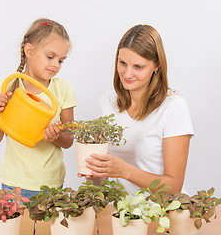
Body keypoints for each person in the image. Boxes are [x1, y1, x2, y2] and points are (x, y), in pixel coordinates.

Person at [82, 24, 194, 196]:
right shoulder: (107, 101)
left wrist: (125, 171)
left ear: (157, 65)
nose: (127, 74)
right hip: (124, 214)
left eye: (138, 67)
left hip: (163, 212)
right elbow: (101, 182)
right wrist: (93, 171)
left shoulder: (173, 107)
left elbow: (174, 186)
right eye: (123, 63)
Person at [0, 18, 77, 198]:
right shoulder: (9, 86)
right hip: (13, 184)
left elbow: (68, 141)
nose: (55, 65)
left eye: (61, 60)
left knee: (46, 227)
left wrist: (56, 136)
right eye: (50, 57)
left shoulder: (63, 89)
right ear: (29, 50)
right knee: (18, 227)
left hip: (51, 183)